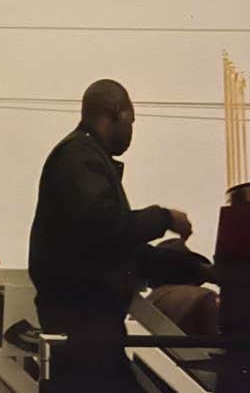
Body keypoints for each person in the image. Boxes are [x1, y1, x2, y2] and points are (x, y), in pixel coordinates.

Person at [28, 79, 213, 392]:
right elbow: (103, 226)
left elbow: (125, 250)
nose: (132, 132)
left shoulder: (83, 160)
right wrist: (164, 218)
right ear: (115, 111)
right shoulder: (78, 156)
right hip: (84, 336)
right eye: (132, 120)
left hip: (92, 338)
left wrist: (199, 270)